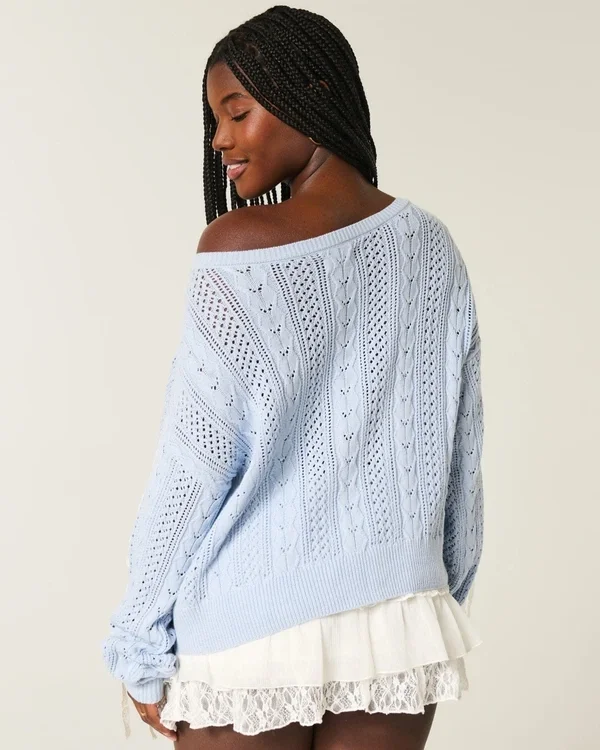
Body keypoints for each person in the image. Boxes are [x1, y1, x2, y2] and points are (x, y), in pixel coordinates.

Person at [102, 5, 485, 749]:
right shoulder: (432, 245)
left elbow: (194, 464)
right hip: (398, 620)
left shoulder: (238, 246)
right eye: (215, 120)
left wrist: (138, 639)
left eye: (236, 112)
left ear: (312, 93)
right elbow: (461, 455)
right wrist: (432, 596)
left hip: (252, 627)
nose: (219, 140)